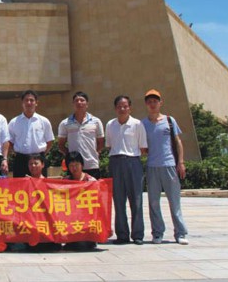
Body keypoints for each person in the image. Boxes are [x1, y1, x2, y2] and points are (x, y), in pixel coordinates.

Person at [142, 89, 189, 245]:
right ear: (146, 104)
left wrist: (180, 162)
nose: (152, 104)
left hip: (169, 165)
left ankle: (180, 233)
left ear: (160, 103)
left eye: (155, 101)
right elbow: (142, 146)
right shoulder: (143, 124)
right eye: (149, 102)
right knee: (154, 203)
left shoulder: (169, 120)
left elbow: (178, 142)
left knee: (174, 202)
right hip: (152, 167)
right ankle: (157, 233)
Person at [106, 95, 148, 245]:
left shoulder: (137, 124)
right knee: (118, 200)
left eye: (125, 106)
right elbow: (109, 145)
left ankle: (138, 234)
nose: (122, 109)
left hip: (133, 162)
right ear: (115, 108)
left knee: (136, 200)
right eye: (119, 106)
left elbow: (143, 147)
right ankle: (122, 235)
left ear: (130, 108)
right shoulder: (110, 124)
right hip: (116, 162)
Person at [57, 91, 105, 179]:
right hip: (74, 167)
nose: (79, 102)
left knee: (93, 188)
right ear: (73, 104)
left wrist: (93, 153)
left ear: (87, 104)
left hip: (91, 165)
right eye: (76, 100)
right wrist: (71, 157)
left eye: (82, 100)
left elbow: (101, 143)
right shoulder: (65, 123)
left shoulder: (96, 121)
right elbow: (61, 145)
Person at [8, 90, 55, 177]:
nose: (29, 103)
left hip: (38, 160)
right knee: (20, 185)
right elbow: (10, 142)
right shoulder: (13, 122)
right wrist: (18, 153)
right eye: (26, 100)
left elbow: (49, 141)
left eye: (32, 100)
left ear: (36, 103)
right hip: (21, 161)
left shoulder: (44, 121)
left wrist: (41, 155)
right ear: (22, 103)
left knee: (39, 185)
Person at [62, 151, 98, 251]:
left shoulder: (91, 181)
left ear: (82, 165)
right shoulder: (64, 182)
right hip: (71, 218)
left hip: (87, 218)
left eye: (76, 165)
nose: (74, 168)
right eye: (71, 165)